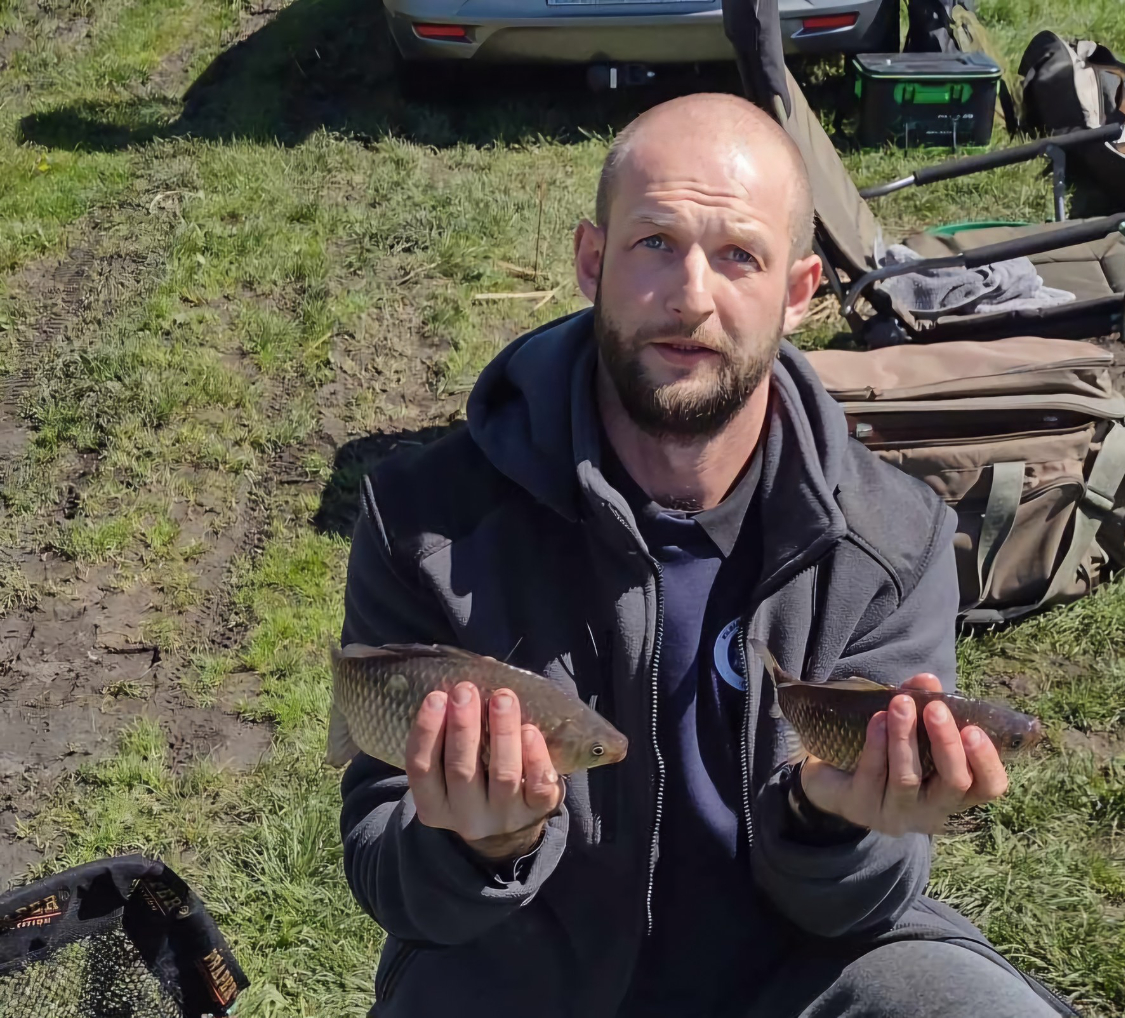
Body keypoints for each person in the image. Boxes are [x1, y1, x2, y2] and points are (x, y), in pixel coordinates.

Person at [337, 92, 1076, 1018]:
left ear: (800, 292)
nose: (691, 296)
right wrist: (483, 846)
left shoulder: (896, 539)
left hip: (802, 973)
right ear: (590, 261)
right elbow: (383, 868)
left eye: (739, 256)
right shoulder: (424, 520)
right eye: (654, 244)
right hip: (523, 972)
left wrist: (835, 819)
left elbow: (867, 904)